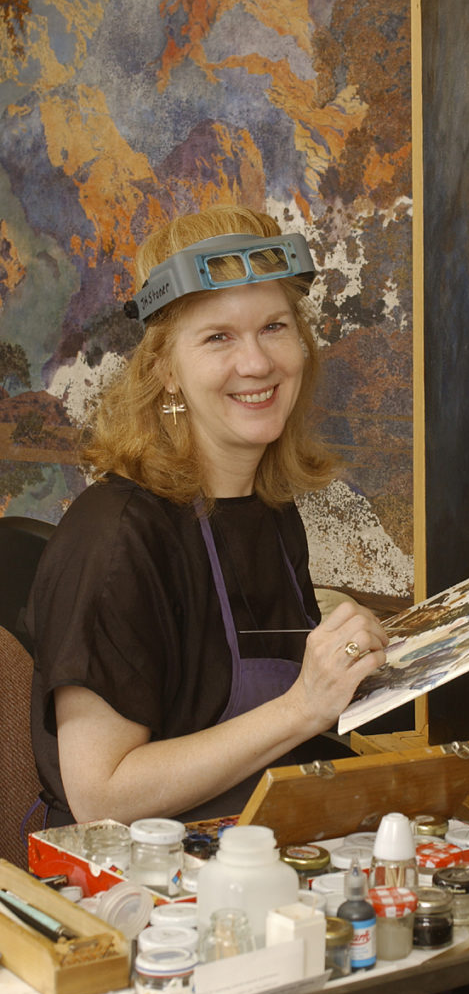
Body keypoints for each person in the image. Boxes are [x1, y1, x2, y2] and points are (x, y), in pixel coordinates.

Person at [28, 204, 389, 826]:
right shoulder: (115, 539)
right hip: (130, 894)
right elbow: (101, 796)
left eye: (274, 327)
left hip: (252, 856)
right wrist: (305, 705)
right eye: (218, 337)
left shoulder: (269, 513)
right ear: (166, 369)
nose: (256, 363)